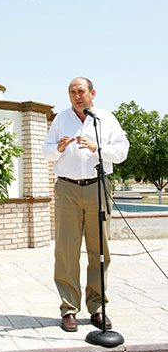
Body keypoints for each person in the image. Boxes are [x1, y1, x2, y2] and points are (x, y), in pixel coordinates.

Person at [43, 77, 129, 333]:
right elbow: (46, 152)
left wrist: (97, 147)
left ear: (92, 93)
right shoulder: (60, 119)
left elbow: (122, 150)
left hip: (97, 187)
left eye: (81, 91)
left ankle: (98, 307)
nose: (76, 96)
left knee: (99, 250)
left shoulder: (104, 118)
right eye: (72, 92)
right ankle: (69, 308)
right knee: (66, 250)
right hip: (67, 188)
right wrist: (57, 148)